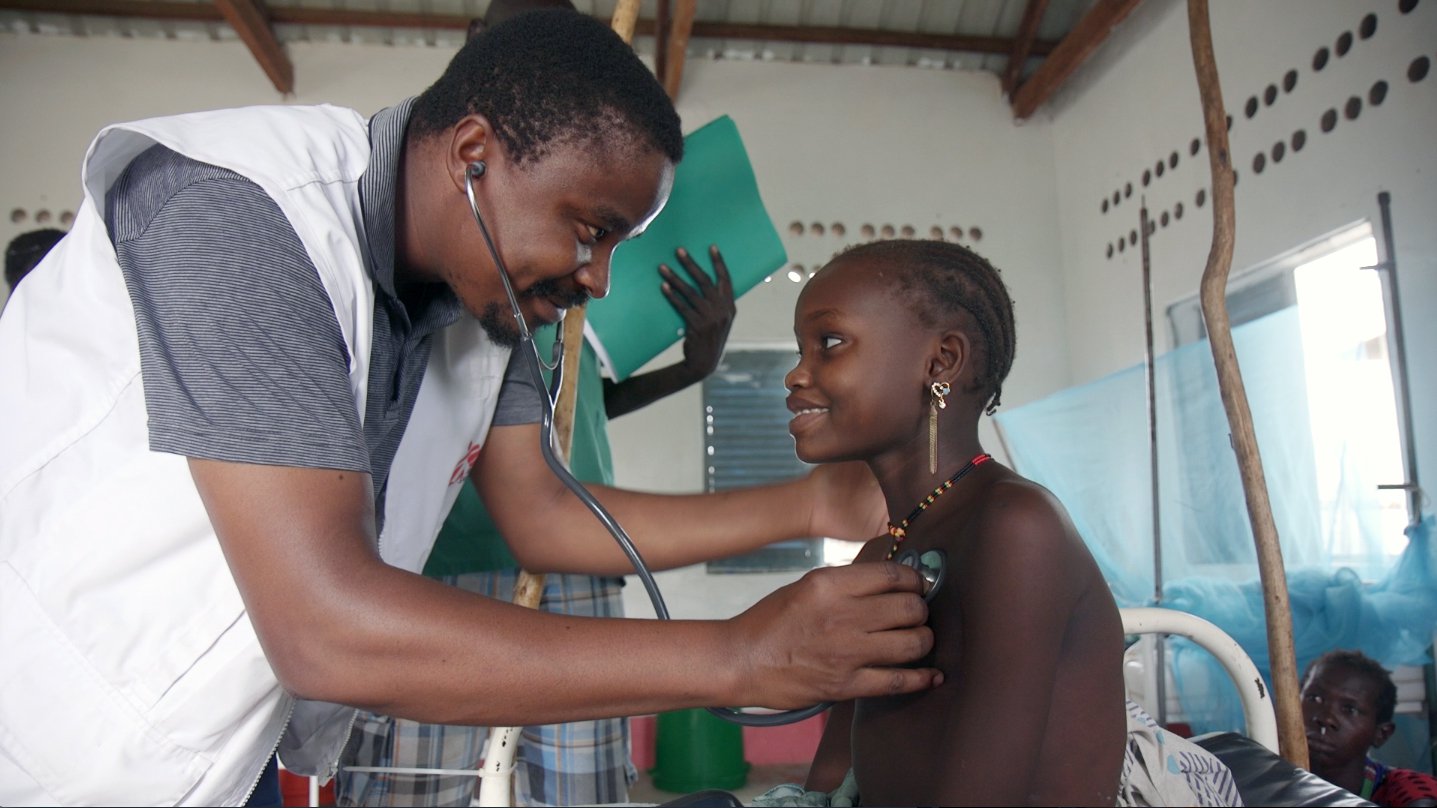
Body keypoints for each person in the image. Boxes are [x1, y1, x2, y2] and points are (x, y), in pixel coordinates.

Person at [0, 11, 941, 806]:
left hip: (211, 742)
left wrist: (812, 505)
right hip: (56, 738)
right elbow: (325, 627)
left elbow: (542, 517)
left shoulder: (489, 307)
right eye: (591, 229)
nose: (600, 280)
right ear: (474, 156)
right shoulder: (241, 212)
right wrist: (740, 656)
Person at [754, 240, 1240, 807]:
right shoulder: (880, 555)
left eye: (828, 344)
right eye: (800, 349)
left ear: (941, 362)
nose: (796, 374)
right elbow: (834, 778)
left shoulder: (1017, 528)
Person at [339, 245, 738, 808]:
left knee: (580, 793)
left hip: (580, 555)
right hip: (438, 558)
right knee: (417, 785)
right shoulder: (463, 254)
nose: (600, 268)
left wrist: (690, 370)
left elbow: (567, 408)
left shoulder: (588, 283)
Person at [1302, 650, 1437, 807]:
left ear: (1381, 734)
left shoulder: (1409, 794)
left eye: (1349, 709)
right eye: (1314, 698)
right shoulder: (1270, 778)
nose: (1325, 719)